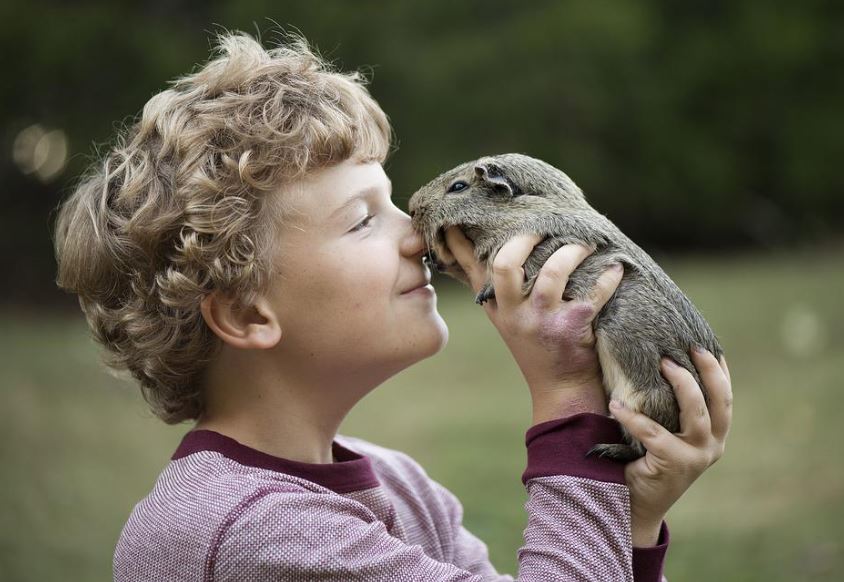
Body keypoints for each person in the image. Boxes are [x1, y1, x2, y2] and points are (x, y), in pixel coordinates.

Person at [52, 30, 732, 582]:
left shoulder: (401, 486)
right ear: (247, 315)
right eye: (361, 220)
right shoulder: (242, 534)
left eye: (395, 201)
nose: (416, 232)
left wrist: (629, 522)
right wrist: (566, 397)